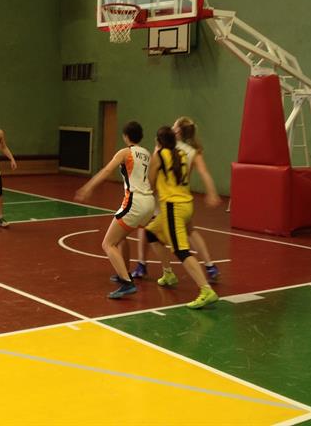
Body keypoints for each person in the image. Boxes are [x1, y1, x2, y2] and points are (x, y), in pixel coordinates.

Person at [130, 116, 222, 284]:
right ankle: (210, 266)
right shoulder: (192, 151)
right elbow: (204, 173)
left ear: (177, 131)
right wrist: (212, 193)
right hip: (184, 198)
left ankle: (144, 265)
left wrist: (142, 192)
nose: (172, 128)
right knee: (190, 231)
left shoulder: (164, 149)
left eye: (174, 126)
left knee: (154, 233)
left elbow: (152, 176)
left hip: (166, 198)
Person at [74, 121, 156, 299]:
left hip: (134, 202)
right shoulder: (146, 153)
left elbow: (107, 170)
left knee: (108, 243)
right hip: (149, 201)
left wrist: (88, 187)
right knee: (121, 237)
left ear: (125, 136)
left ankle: (127, 283)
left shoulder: (125, 152)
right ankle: (124, 273)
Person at [144, 126, 218, 309]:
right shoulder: (182, 154)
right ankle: (168, 273)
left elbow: (150, 183)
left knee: (181, 250)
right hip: (186, 205)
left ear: (158, 141)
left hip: (173, 207)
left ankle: (206, 290)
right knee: (151, 233)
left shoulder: (159, 155)